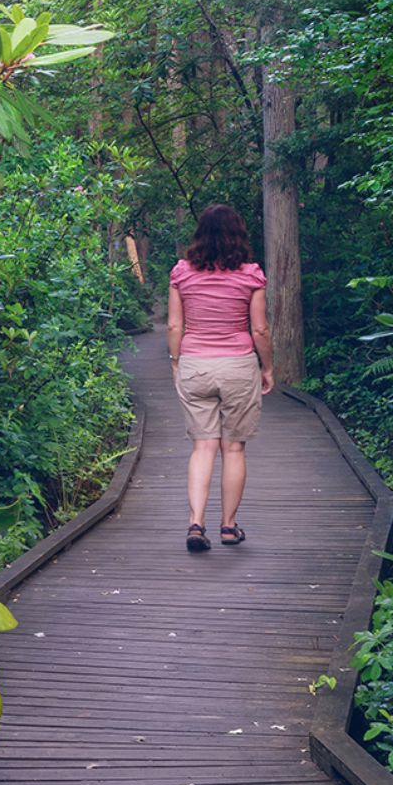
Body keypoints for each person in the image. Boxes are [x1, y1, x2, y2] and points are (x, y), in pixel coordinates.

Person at [165, 205, 275, 552]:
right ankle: (228, 526)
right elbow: (259, 328)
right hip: (238, 365)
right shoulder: (251, 275)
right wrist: (267, 367)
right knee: (233, 447)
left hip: (195, 363)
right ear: (238, 234)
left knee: (202, 446)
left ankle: (195, 522)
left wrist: (175, 361)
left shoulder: (181, 273)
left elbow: (174, 325)